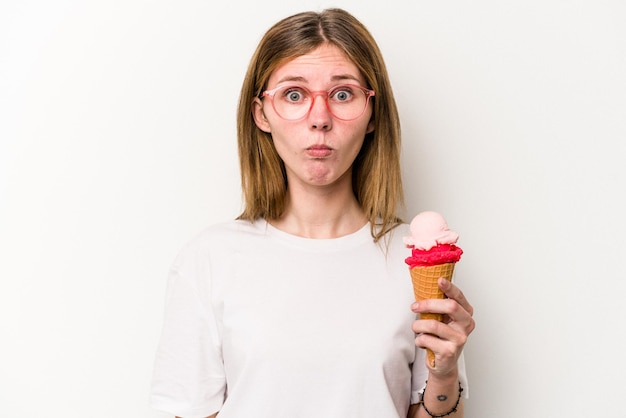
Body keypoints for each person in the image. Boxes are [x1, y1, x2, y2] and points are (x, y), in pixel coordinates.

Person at [150, 8, 475, 418]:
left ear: (373, 113)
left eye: (342, 94)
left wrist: (444, 376)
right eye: (294, 94)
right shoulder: (209, 259)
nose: (320, 119)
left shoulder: (413, 259)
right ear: (261, 114)